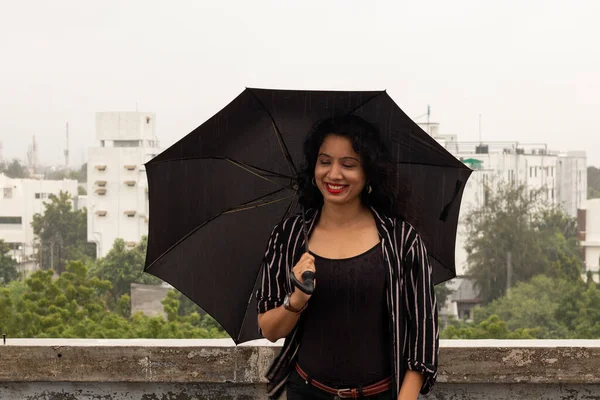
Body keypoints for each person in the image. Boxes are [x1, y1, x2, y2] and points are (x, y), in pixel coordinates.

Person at [256, 115, 439, 400]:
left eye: (348, 164)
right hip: (306, 393)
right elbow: (269, 329)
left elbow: (423, 340)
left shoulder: (401, 240)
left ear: (368, 172)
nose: (334, 174)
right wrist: (297, 299)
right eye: (325, 161)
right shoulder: (290, 235)